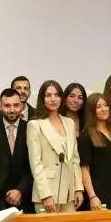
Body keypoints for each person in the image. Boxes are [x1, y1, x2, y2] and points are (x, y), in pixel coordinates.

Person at [27, 80, 84, 213]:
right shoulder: (35, 125)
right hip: (46, 193)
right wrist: (45, 195)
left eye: (57, 95)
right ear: (42, 98)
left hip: (69, 193)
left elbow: (75, 159)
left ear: (61, 98)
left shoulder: (69, 123)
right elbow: (36, 163)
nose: (53, 99)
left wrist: (78, 189)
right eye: (48, 95)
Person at [78, 94, 111, 210]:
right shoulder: (86, 135)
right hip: (98, 192)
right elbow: (84, 169)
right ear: (91, 111)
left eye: (105, 105)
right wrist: (92, 196)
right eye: (99, 106)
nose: (104, 109)